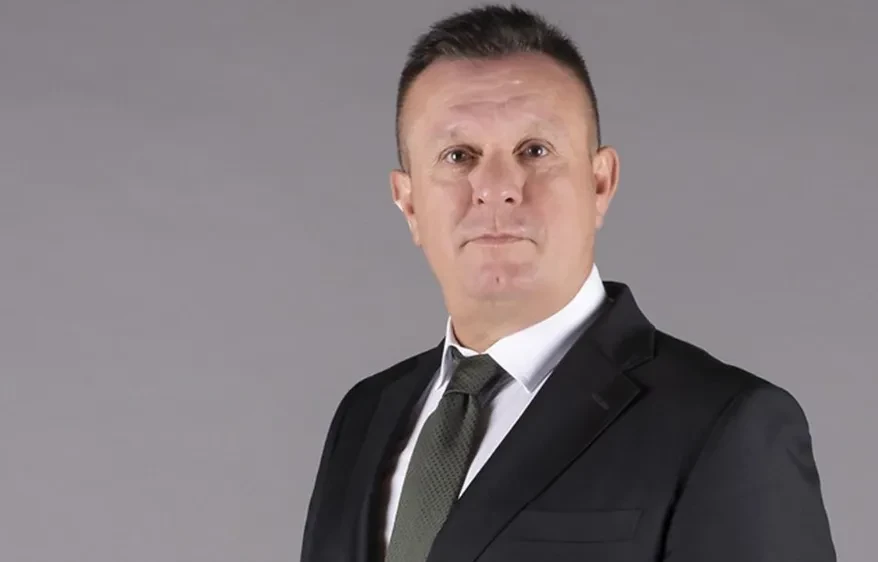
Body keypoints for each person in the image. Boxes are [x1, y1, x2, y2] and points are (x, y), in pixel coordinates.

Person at [300, 5, 837, 562]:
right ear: (409, 202)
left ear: (600, 183)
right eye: (458, 156)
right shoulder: (365, 416)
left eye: (535, 151)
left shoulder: (724, 425)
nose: (497, 187)